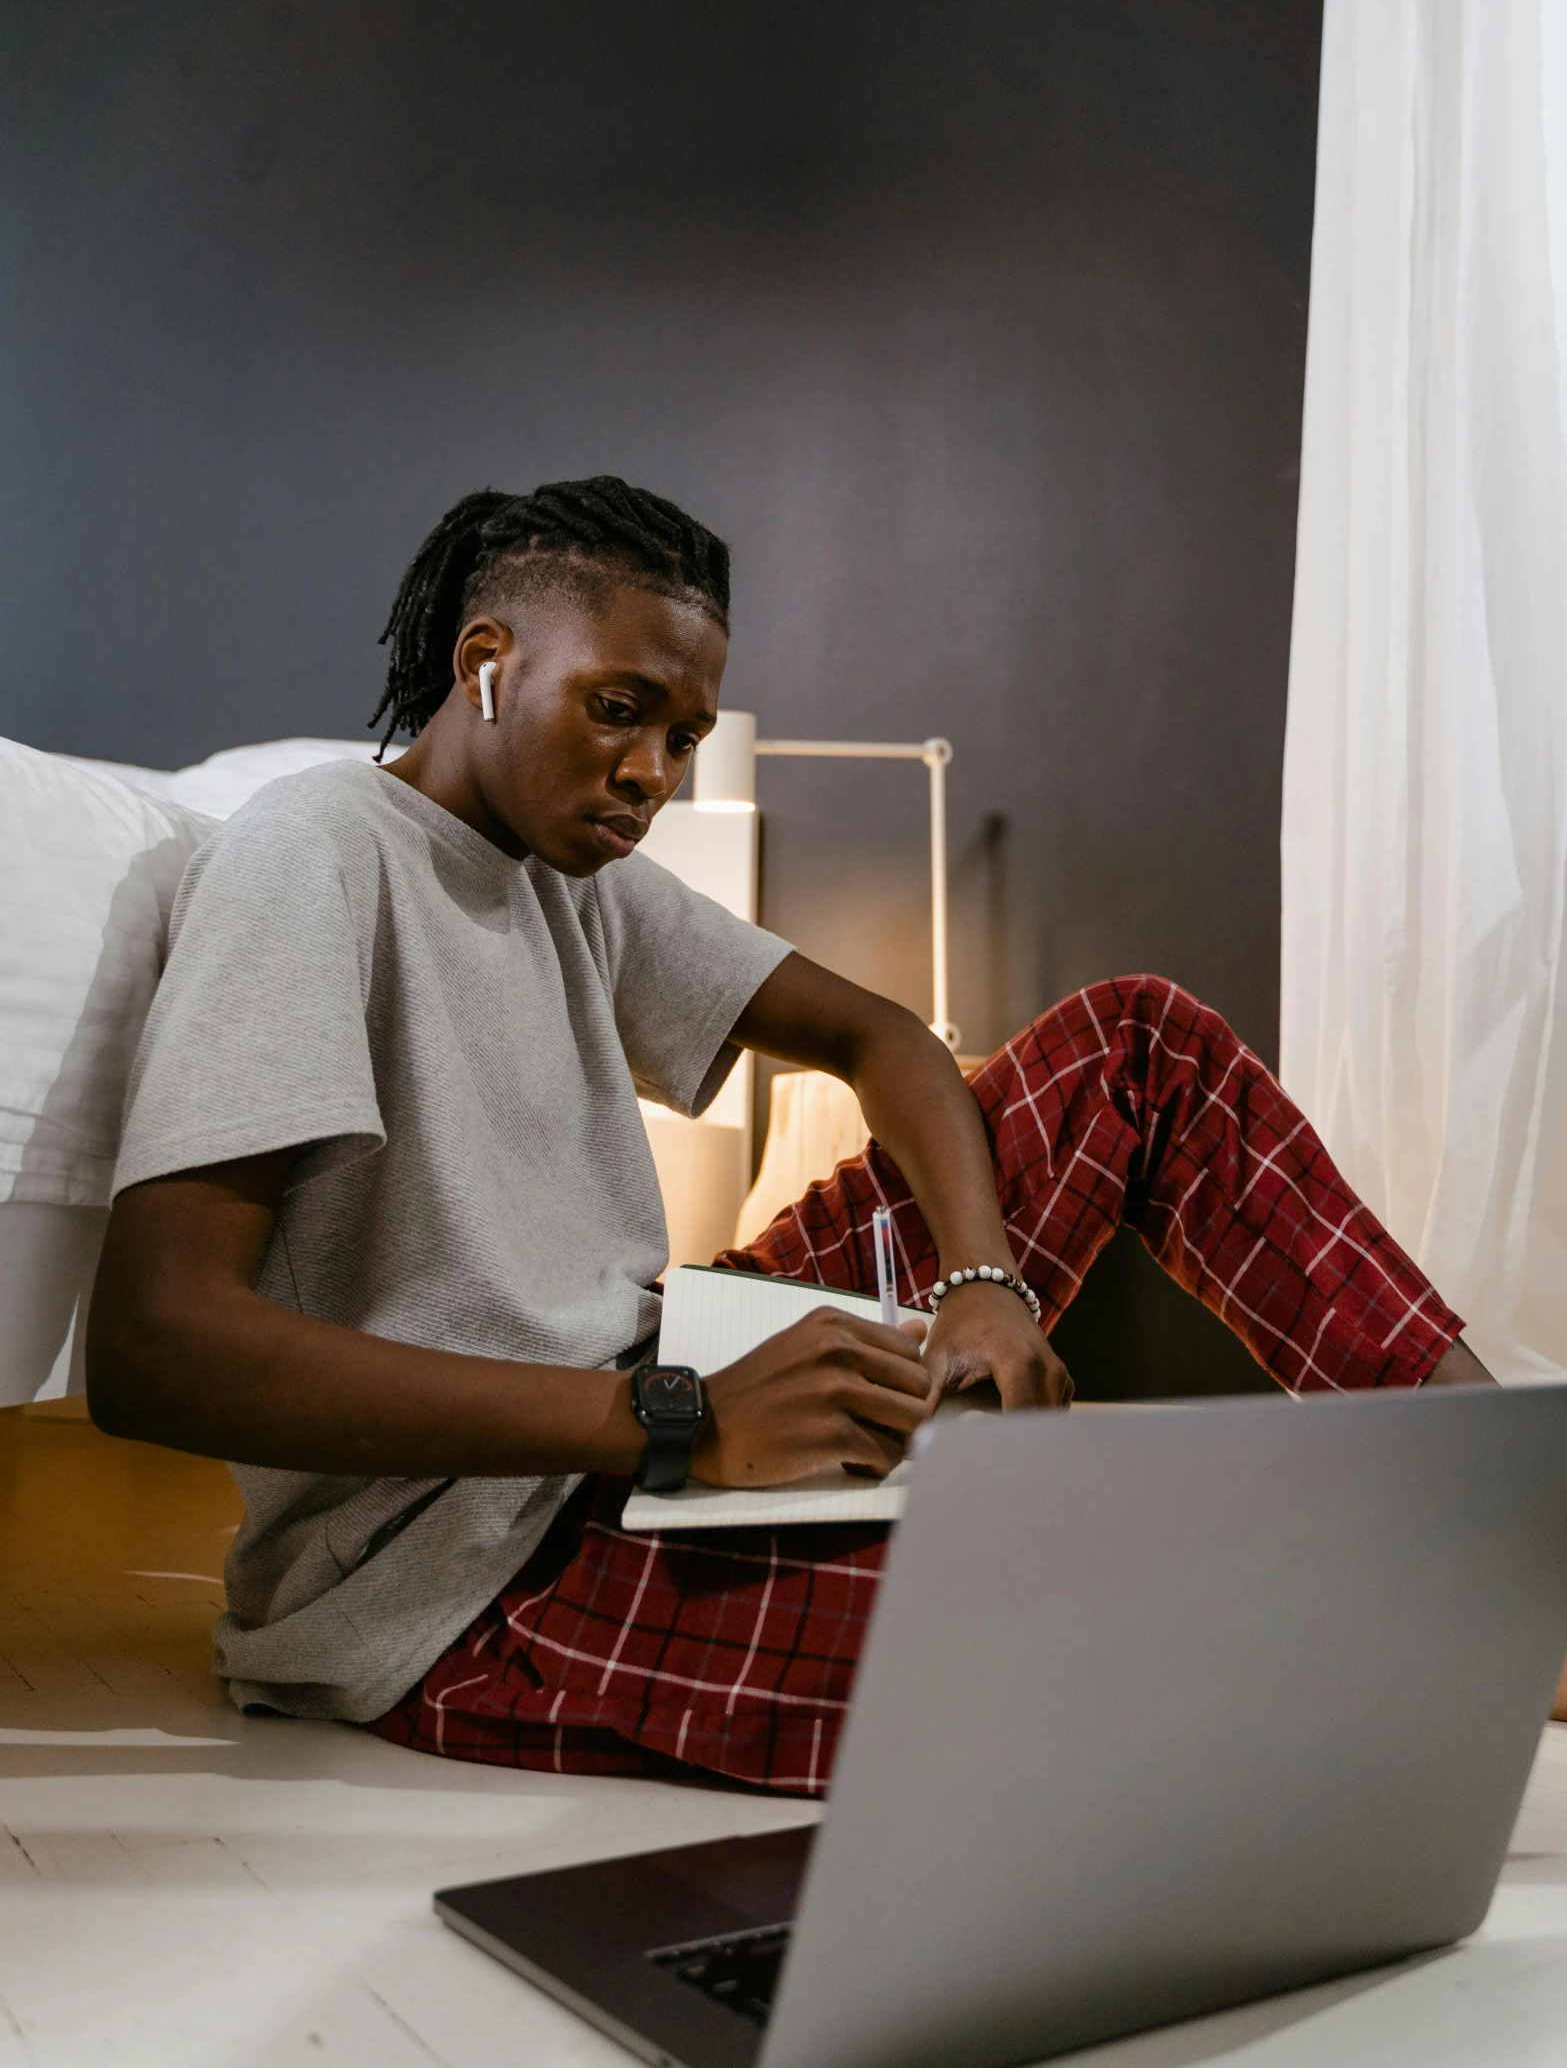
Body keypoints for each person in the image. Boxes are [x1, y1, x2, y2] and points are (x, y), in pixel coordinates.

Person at [87, 476, 1497, 1795]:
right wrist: (666, 1418)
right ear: (487, 662)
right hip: (480, 1570)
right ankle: (1461, 1645)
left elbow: (884, 1037)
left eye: (683, 738)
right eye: (618, 709)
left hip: (666, 1397)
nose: (652, 775)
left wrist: (980, 1282)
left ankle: (1509, 1512)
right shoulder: (312, 852)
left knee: (1135, 1044)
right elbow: (158, 1349)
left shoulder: (573, 873)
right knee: (1094, 1624)